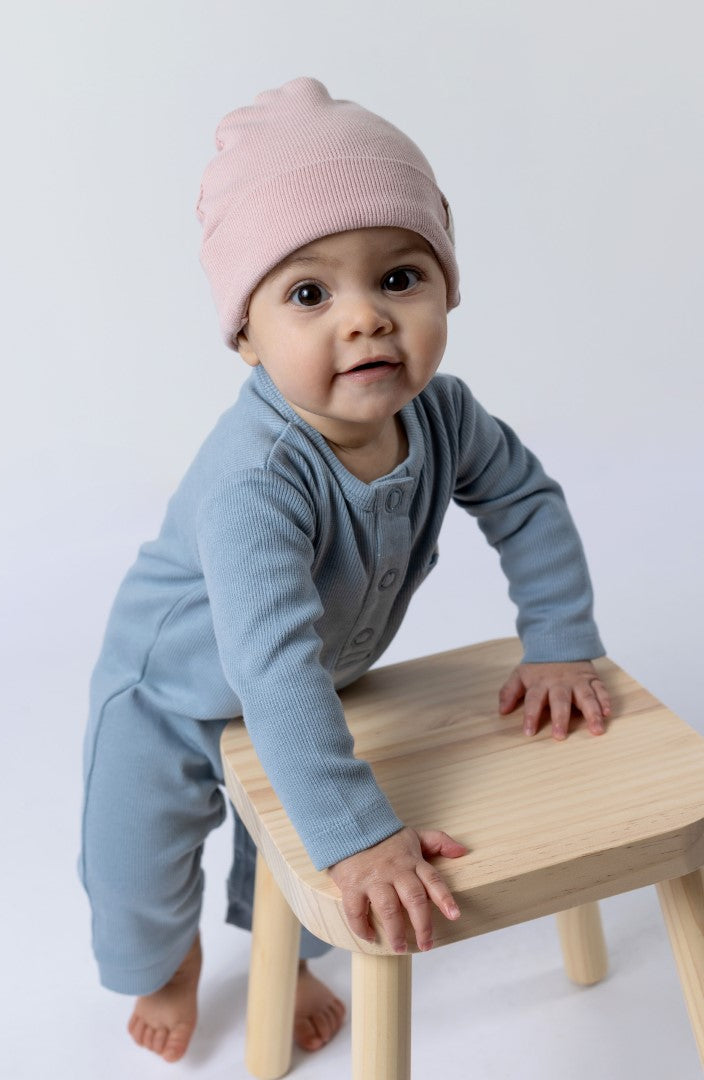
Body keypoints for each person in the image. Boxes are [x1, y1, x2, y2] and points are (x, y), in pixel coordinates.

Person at [79, 77, 612, 1064]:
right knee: (136, 868)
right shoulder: (257, 480)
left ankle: (275, 949)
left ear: (448, 283)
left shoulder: (445, 416)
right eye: (310, 294)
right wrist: (361, 836)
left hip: (311, 680)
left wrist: (560, 643)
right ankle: (167, 964)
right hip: (171, 695)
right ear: (246, 335)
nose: (364, 319)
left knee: (279, 831)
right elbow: (268, 666)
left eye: (399, 278)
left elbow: (529, 504)